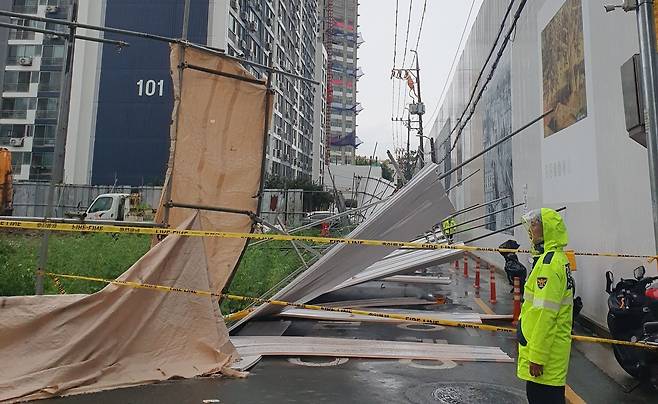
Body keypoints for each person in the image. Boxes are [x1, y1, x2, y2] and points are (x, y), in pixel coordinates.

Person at [516, 208, 575, 404]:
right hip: (551, 355)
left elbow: (545, 314)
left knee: (541, 398)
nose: (531, 230)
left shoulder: (548, 266)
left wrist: (537, 357)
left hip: (546, 360)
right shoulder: (555, 259)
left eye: (535, 225)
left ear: (547, 229)